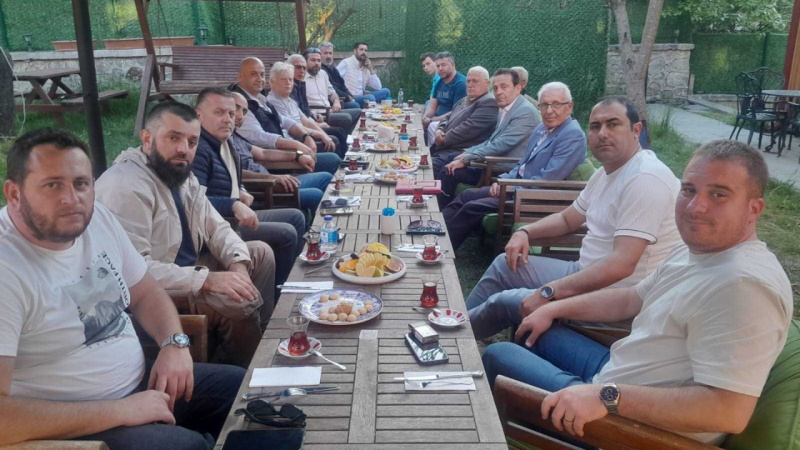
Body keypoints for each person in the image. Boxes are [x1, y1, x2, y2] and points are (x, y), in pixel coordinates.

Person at [483, 140, 792, 446]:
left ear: (753, 209)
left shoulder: (744, 287)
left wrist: (605, 396)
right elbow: (631, 298)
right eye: (689, 190)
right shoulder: (695, 251)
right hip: (617, 373)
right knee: (533, 326)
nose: (695, 206)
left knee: (499, 356)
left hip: (628, 428)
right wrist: (552, 307)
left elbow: (728, 412)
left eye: (718, 194)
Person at [0, 128, 245, 450]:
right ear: (14, 194)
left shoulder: (96, 219)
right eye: (52, 185)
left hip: (141, 384)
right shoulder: (7, 268)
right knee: (187, 446)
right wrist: (121, 411)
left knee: (246, 393)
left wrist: (174, 344)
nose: (72, 200)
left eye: (81, 183)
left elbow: (146, 292)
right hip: (69, 426)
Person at [467, 97, 683, 341]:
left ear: (636, 130)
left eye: (613, 124)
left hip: (617, 294)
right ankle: (455, 323)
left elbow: (622, 264)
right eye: (595, 126)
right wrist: (524, 232)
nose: (602, 133)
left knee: (502, 302)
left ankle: (455, 337)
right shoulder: (606, 173)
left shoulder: (645, 179)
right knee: (504, 265)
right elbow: (567, 219)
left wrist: (550, 291)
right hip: (583, 271)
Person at [97, 102, 274, 368]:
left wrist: (238, 265)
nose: (184, 149)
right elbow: (133, 271)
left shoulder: (180, 174)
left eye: (192, 142)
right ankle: (247, 370)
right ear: (147, 139)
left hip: (188, 270)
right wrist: (207, 280)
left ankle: (264, 337)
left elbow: (217, 228)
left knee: (259, 253)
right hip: (156, 291)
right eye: (174, 138)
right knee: (238, 304)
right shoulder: (125, 186)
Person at [443, 81, 587, 250]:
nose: (549, 111)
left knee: (471, 207)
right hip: (515, 188)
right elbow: (523, 163)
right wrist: (503, 180)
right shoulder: (542, 128)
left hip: (531, 198)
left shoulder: (572, 135)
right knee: (466, 195)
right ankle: (435, 232)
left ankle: (444, 249)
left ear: (569, 107)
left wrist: (510, 187)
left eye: (556, 104)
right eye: (544, 105)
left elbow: (549, 178)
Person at [192, 87, 305, 298]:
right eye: (219, 112)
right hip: (219, 227)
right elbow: (193, 202)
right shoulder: (198, 149)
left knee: (296, 217)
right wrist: (232, 205)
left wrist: (241, 190)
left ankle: (287, 283)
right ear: (198, 115)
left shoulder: (226, 141)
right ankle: (280, 297)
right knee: (286, 233)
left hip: (234, 215)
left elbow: (234, 177)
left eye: (231, 113)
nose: (228, 119)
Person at [434, 68, 540, 209]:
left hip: (501, 168)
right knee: (449, 160)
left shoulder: (524, 112)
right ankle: (438, 208)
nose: (498, 92)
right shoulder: (507, 107)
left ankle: (438, 210)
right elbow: (491, 140)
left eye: (504, 87)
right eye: (495, 88)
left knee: (450, 171)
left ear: (518, 88)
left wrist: (466, 159)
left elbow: (500, 145)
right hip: (489, 161)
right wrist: (467, 152)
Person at [230, 90, 332, 219]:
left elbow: (263, 153)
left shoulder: (235, 137)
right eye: (236, 108)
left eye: (244, 111)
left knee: (326, 178)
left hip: (273, 180)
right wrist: (271, 178)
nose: (240, 115)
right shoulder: (221, 143)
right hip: (264, 190)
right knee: (315, 195)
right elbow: (235, 173)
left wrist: (297, 156)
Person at [232, 56, 341, 175]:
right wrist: (296, 147)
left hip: (291, 149)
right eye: (253, 74)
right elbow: (258, 137)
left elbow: (285, 121)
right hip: (279, 161)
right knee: (332, 159)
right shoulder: (239, 104)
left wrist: (306, 135)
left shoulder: (261, 99)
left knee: (333, 147)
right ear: (240, 77)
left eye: (262, 74)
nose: (259, 79)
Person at [268, 61, 349, 158]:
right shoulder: (274, 102)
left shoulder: (289, 99)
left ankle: (346, 161)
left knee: (335, 134)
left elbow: (305, 120)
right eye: (283, 80)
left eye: (290, 79)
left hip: (304, 133)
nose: (288, 83)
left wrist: (323, 134)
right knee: (334, 139)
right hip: (296, 140)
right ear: (272, 82)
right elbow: (292, 128)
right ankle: (341, 164)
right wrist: (321, 135)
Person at [431, 66, 497, 156]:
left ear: (487, 84)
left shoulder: (489, 103)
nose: (470, 85)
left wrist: (443, 139)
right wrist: (439, 129)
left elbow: (468, 129)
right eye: (468, 81)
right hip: (446, 149)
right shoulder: (465, 99)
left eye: (475, 81)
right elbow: (448, 117)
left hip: (460, 153)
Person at [301, 49, 361, 135]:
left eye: (318, 60)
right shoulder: (302, 78)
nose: (316, 63)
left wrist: (336, 101)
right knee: (346, 117)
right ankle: (342, 138)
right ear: (305, 62)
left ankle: (346, 137)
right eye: (313, 60)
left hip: (330, 111)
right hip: (317, 114)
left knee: (358, 112)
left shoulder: (323, 74)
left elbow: (332, 93)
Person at [423, 52, 468, 145]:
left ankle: (434, 152)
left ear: (453, 65)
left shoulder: (460, 84)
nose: (440, 69)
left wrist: (432, 120)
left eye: (443, 65)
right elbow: (432, 107)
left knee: (432, 126)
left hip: (452, 122)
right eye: (438, 66)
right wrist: (425, 117)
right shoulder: (439, 82)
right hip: (438, 118)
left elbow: (456, 113)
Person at [337, 42, 391, 107]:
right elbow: (335, 80)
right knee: (370, 98)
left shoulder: (366, 67)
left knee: (386, 91)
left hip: (363, 96)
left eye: (365, 50)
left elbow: (378, 87)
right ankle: (370, 105)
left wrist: (370, 69)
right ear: (354, 51)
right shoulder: (346, 63)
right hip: (351, 97)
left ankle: (370, 105)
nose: (364, 52)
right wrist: (345, 95)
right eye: (361, 49)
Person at [318, 41, 361, 110]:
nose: (328, 56)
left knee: (369, 98)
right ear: (319, 55)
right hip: (335, 102)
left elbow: (342, 85)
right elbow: (333, 89)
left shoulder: (333, 69)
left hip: (345, 97)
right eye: (325, 53)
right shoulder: (320, 70)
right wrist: (347, 97)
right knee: (356, 105)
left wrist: (350, 96)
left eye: (330, 53)